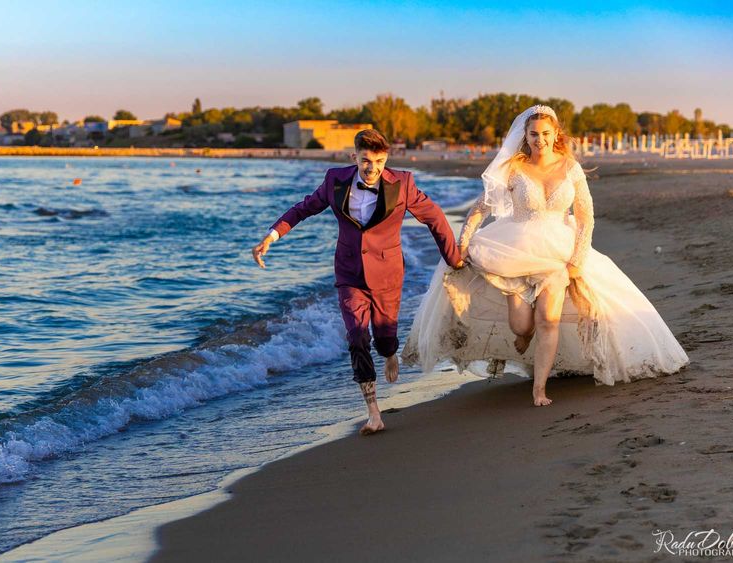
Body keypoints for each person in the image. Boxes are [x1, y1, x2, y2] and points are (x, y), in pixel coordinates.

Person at [402, 105, 688, 406]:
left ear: (556, 135)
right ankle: (525, 338)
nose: (540, 140)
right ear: (525, 135)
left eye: (546, 134)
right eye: (534, 134)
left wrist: (577, 260)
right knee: (521, 325)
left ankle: (539, 389)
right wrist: (463, 243)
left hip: (557, 252)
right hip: (514, 251)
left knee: (549, 320)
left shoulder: (570, 168)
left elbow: (585, 215)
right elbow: (479, 209)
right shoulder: (512, 168)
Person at [252, 129, 462, 434]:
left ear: (386, 158)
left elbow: (435, 218)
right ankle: (373, 412)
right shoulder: (334, 181)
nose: (372, 167)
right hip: (349, 274)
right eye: (366, 160)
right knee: (357, 337)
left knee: (385, 337)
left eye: (378, 160)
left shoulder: (402, 184)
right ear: (355, 157)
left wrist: (454, 259)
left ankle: (390, 353)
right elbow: (303, 208)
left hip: (387, 275)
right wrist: (271, 236)